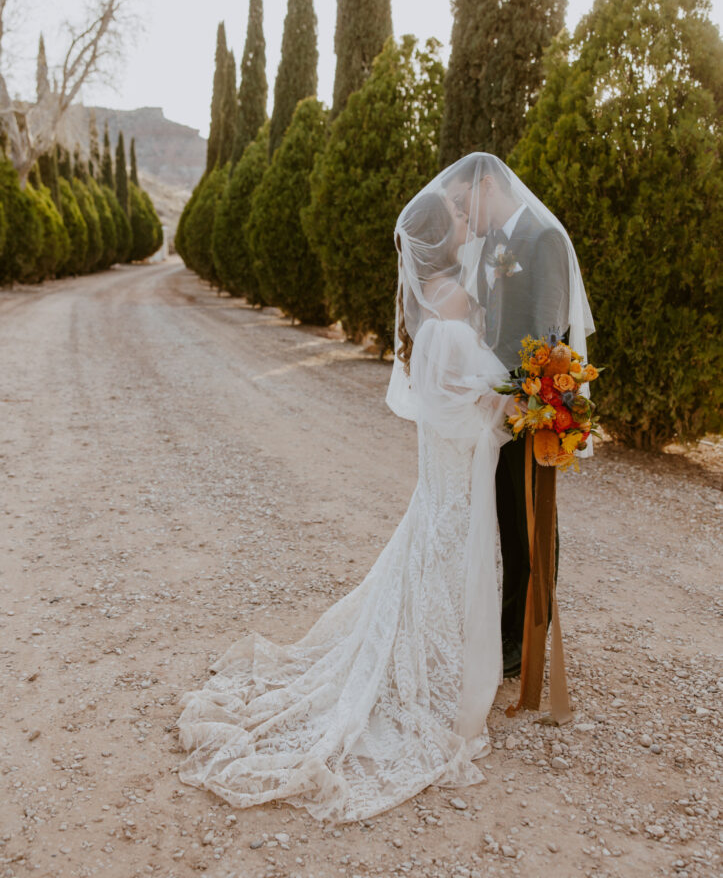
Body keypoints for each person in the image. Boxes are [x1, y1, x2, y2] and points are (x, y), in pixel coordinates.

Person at [176, 189, 516, 823]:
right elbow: (457, 402)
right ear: (447, 236)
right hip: (454, 467)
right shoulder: (458, 301)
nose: (472, 219)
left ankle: (438, 670)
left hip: (440, 471)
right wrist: (507, 406)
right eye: (463, 216)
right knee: (444, 558)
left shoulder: (431, 297)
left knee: (430, 557)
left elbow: (439, 392)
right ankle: (438, 690)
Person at [441, 153, 594, 678]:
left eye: (465, 202)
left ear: (488, 186)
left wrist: (514, 395)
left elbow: (548, 334)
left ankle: (527, 641)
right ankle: (508, 635)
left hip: (534, 408)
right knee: (508, 520)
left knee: (534, 523)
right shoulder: (497, 245)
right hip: (500, 405)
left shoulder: (543, 237)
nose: (466, 213)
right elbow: (489, 322)